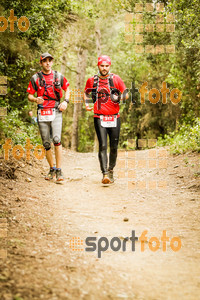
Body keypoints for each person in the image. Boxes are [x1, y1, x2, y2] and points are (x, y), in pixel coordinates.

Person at [84, 55, 128, 184]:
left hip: (114, 117)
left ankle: (111, 170)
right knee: (103, 145)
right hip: (99, 117)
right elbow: (86, 92)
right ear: (98, 66)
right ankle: (104, 174)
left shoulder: (116, 79)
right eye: (102, 66)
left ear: (110, 66)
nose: (104, 68)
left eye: (106, 66)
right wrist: (87, 104)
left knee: (114, 146)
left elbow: (126, 93)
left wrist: (119, 98)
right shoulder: (92, 80)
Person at [27, 52, 70, 183]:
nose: (47, 63)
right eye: (45, 61)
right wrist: (35, 99)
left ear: (52, 62)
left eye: (49, 60)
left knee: (56, 139)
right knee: (46, 143)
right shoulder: (35, 78)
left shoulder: (58, 76)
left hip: (56, 110)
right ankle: (52, 168)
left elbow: (68, 88)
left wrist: (65, 101)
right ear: (41, 63)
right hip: (42, 112)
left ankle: (59, 170)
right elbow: (29, 95)